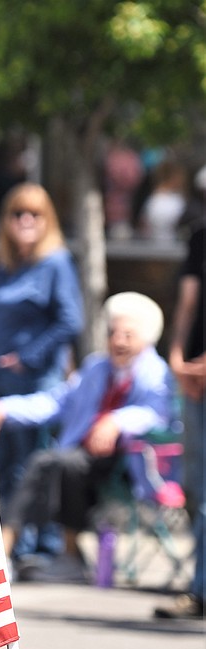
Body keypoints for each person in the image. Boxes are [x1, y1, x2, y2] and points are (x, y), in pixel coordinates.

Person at [0, 292, 174, 583]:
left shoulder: (156, 374)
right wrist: (3, 408)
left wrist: (116, 421)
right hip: (81, 458)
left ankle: (8, 548)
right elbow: (56, 402)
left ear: (146, 339)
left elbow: (158, 414)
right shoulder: (95, 367)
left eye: (128, 335)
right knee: (53, 462)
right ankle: (29, 548)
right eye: (113, 333)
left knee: (55, 462)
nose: (118, 341)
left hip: (129, 464)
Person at [0, 182, 84, 558]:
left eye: (34, 214)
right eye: (17, 213)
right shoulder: (9, 263)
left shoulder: (56, 262)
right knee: (4, 465)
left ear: (47, 220)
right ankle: (11, 541)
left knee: (32, 466)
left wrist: (29, 356)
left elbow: (71, 321)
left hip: (35, 382)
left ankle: (36, 545)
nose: (25, 220)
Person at [154, 217, 205, 619]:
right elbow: (188, 302)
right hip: (194, 381)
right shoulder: (200, 236)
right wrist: (176, 356)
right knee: (194, 488)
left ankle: (200, 588)